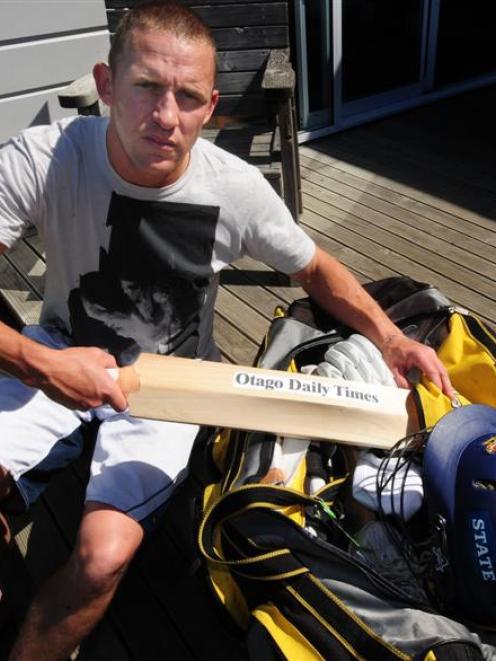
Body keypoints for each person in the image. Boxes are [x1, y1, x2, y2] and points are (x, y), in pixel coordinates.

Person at [0, 2, 452, 658]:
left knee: (101, 557)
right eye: (146, 87)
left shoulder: (232, 188)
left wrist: (390, 336)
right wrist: (42, 364)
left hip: (172, 385)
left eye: (187, 97)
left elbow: (315, 266)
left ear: (210, 106)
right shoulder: (46, 157)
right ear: (105, 83)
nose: (166, 117)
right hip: (61, 348)